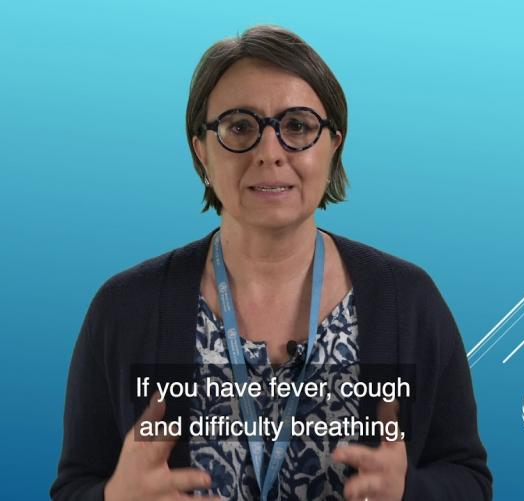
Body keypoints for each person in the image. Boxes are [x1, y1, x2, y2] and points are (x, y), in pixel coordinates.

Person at [50, 24, 492, 501]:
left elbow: (469, 478)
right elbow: (75, 485)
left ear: (334, 143)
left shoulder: (407, 302)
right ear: (201, 150)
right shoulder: (125, 308)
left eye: (297, 126)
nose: (269, 153)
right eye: (240, 127)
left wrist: (410, 493)